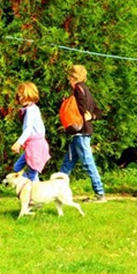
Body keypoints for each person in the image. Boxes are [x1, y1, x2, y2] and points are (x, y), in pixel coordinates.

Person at [59, 65, 106, 202]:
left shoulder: (78, 89)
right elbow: (98, 111)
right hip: (82, 133)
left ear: (72, 77)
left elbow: (81, 108)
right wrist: (92, 116)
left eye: (69, 76)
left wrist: (81, 113)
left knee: (88, 162)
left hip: (80, 132)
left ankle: (100, 193)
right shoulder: (86, 90)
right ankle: (56, 190)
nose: (68, 80)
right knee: (68, 162)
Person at [11, 82, 50, 181]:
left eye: (23, 96)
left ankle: (35, 193)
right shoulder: (33, 109)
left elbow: (28, 128)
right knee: (17, 167)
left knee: (33, 172)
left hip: (35, 146)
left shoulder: (31, 110)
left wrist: (19, 143)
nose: (20, 99)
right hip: (34, 145)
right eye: (19, 96)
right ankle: (25, 184)